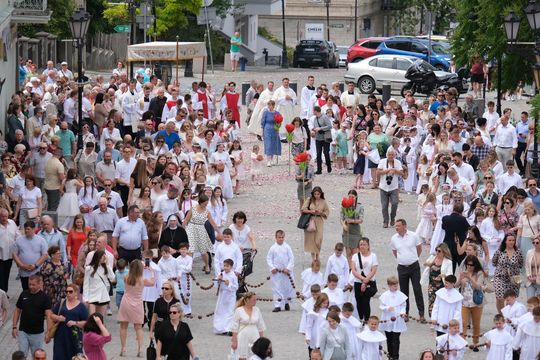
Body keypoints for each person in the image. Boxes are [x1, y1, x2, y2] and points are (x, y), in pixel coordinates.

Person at [118, 259, 155, 357]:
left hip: (125, 302)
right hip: (137, 303)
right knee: (138, 328)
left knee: (123, 326)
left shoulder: (126, 277)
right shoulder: (143, 280)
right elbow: (152, 282)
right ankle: (140, 349)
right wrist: (151, 271)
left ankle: (123, 348)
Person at [390, 219, 425, 322]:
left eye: (399, 226)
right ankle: (405, 313)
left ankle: (421, 314)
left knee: (417, 289)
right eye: (396, 226)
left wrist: (414, 257)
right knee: (404, 292)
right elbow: (394, 251)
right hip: (402, 267)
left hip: (414, 266)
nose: (397, 228)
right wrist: (402, 259)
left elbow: (419, 248)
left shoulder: (413, 236)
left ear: (404, 226)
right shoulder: (394, 238)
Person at [12, 275, 52, 357]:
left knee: (36, 356)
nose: (31, 286)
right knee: (21, 356)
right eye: (29, 284)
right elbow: (17, 310)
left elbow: (49, 315)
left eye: (33, 285)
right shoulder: (24, 294)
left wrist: (48, 332)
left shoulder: (45, 297)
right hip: (23, 331)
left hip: (37, 333)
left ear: (39, 284)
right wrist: (14, 327)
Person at [49, 283, 88, 360]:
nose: (68, 293)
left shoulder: (81, 306)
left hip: (75, 338)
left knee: (74, 357)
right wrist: (58, 318)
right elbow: (51, 315)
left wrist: (75, 323)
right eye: (66, 291)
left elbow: (86, 322)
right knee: (59, 356)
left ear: (76, 292)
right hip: (60, 336)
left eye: (70, 291)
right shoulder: (62, 302)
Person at [183, 193, 219, 274]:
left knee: (203, 250)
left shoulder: (207, 211)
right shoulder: (193, 209)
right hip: (191, 228)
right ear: (200, 202)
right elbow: (186, 220)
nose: (205, 205)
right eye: (204, 203)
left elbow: (212, 223)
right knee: (190, 249)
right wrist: (183, 230)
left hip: (201, 229)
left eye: (207, 203)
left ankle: (206, 265)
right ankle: (189, 266)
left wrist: (219, 232)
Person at [457, 255, 485, 350]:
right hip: (465, 302)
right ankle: (462, 342)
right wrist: (460, 277)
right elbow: (456, 285)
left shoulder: (479, 273)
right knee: (463, 323)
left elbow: (478, 286)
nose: (469, 267)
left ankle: (475, 343)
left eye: (471, 265)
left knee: (476, 324)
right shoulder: (463, 272)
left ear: (475, 265)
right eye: (467, 265)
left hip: (476, 303)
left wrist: (469, 278)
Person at [493, 233, 524, 312]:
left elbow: (521, 264)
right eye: (509, 240)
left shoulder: (518, 252)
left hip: (513, 279)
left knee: (509, 299)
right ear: (505, 241)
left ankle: (507, 315)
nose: (511, 242)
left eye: (513, 240)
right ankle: (501, 315)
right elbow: (494, 262)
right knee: (500, 297)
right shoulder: (499, 251)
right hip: (500, 277)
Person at [13, 221, 48, 290]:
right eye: (25, 229)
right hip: (24, 271)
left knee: (37, 290)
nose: (26, 231)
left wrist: (35, 265)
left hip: (37, 270)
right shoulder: (19, 240)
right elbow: (14, 254)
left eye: (28, 229)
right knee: (25, 289)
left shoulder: (41, 240)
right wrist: (21, 265)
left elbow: (45, 255)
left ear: (34, 229)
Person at [231, 292, 266, 360]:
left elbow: (260, 326)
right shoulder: (239, 310)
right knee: (242, 356)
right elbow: (234, 327)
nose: (255, 302)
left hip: (255, 335)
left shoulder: (257, 310)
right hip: (242, 336)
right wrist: (234, 341)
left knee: (255, 355)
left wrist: (262, 341)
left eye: (256, 300)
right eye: (254, 300)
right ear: (247, 300)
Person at [351, 237, 378, 322]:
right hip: (358, 281)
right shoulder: (355, 256)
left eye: (364, 244)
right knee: (359, 302)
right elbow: (353, 270)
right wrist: (363, 279)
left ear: (368, 246)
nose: (362, 246)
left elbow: (374, 270)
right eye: (361, 244)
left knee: (366, 301)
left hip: (369, 281)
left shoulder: (373, 256)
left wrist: (366, 280)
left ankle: (366, 320)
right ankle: (361, 318)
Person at [267, 229, 295, 312]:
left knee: (286, 287)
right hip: (277, 272)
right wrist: (272, 268)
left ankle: (286, 302)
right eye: (279, 237)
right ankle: (278, 305)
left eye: (282, 237)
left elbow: (291, 258)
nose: (281, 239)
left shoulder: (287, 247)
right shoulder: (273, 248)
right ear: (276, 238)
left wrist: (288, 268)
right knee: (277, 288)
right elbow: (269, 258)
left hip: (286, 272)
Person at [422, 243, 453, 316]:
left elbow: (450, 274)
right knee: (431, 301)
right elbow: (425, 263)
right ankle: (433, 318)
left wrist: (443, 275)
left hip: (442, 285)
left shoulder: (448, 262)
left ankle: (441, 317)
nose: (437, 252)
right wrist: (430, 263)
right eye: (436, 250)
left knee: (441, 302)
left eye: (439, 251)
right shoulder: (433, 257)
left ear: (444, 252)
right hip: (432, 284)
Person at [301, 186, 330, 261]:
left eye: (318, 194)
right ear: (313, 194)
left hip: (319, 221)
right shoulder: (309, 199)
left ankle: (317, 254)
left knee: (318, 240)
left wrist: (321, 213)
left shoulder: (323, 201)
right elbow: (303, 209)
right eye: (315, 194)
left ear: (321, 194)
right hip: (310, 220)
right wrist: (311, 211)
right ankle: (313, 257)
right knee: (311, 240)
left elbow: (327, 212)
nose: (316, 195)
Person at [83, 250, 115, 315]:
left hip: (103, 296)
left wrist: (107, 264)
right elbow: (86, 284)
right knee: (92, 318)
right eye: (103, 256)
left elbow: (112, 278)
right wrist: (85, 298)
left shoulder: (105, 267)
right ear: (98, 257)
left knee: (100, 318)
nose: (104, 258)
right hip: (92, 296)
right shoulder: (89, 268)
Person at [377, 148, 404, 228]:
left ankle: (392, 217)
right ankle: (385, 221)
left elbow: (402, 173)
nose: (390, 156)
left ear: (394, 155)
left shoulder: (398, 162)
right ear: (387, 155)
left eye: (392, 155)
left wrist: (394, 170)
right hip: (383, 187)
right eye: (389, 155)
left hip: (394, 187)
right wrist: (387, 171)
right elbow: (378, 172)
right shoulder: (382, 162)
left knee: (395, 203)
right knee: (384, 205)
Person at [213, 258, 239, 335]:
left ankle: (228, 329)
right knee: (220, 311)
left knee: (229, 312)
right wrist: (218, 280)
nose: (225, 268)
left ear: (231, 267)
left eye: (227, 266)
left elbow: (236, 287)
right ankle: (219, 328)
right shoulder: (221, 274)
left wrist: (229, 284)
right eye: (224, 266)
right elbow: (216, 285)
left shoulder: (233, 276)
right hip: (222, 295)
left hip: (230, 296)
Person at [442, 203, 469, 272]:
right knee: (462, 265)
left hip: (448, 243)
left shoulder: (445, 218)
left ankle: (450, 281)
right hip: (460, 244)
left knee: (450, 267)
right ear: (462, 211)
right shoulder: (462, 219)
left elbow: (443, 227)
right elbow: (468, 228)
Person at [39, 246, 67, 310]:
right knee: (51, 306)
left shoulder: (62, 262)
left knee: (60, 306)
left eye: (60, 253)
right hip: (51, 289)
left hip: (61, 288)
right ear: (52, 255)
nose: (59, 255)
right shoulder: (47, 264)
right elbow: (41, 275)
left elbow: (66, 272)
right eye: (57, 254)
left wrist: (66, 275)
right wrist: (41, 287)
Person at [340, 189, 364, 261]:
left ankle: (354, 268)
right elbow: (341, 218)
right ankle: (350, 269)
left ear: (356, 197)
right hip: (347, 230)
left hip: (355, 230)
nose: (351, 198)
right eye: (349, 196)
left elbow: (361, 220)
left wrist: (353, 221)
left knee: (355, 252)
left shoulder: (359, 207)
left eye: (352, 197)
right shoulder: (344, 205)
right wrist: (343, 225)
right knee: (348, 252)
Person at [0, 207, 19, 292]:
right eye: (2, 216)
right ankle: (2, 293)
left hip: (10, 255)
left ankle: (5, 293)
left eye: (6, 216)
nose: (4, 218)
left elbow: (18, 235)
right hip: (0, 256)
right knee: (0, 276)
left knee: (6, 275)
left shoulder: (12, 223)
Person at [311, 106, 332, 174]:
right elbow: (315, 127)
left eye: (313, 111)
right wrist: (314, 131)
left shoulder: (324, 117)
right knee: (318, 154)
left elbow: (329, 126)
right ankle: (319, 169)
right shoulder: (315, 119)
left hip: (325, 137)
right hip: (318, 138)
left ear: (316, 111)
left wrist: (320, 128)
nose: (312, 112)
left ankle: (329, 165)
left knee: (326, 152)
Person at [260, 100, 282, 167]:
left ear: (273, 105)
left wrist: (278, 127)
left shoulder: (277, 113)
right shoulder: (265, 113)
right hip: (267, 129)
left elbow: (279, 121)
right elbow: (263, 122)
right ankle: (268, 160)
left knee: (273, 144)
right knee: (268, 144)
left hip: (274, 129)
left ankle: (271, 159)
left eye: (270, 105)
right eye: (268, 105)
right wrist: (262, 131)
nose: (269, 106)